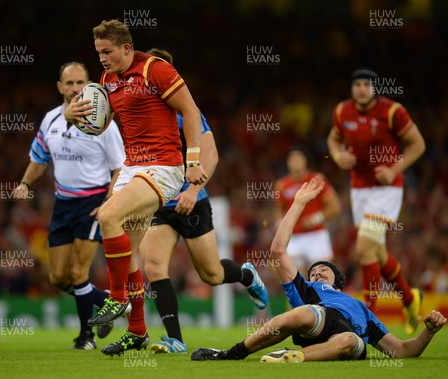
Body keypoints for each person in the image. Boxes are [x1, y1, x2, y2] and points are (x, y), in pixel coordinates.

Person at [65, 20, 208, 355]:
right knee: (127, 247)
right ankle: (138, 331)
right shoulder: (107, 80)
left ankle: (116, 299)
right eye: (98, 52)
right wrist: (74, 116)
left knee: (109, 215)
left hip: (164, 166)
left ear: (126, 48)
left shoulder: (155, 69)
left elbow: (190, 109)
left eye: (107, 51)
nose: (101, 58)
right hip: (133, 167)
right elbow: (99, 129)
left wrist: (194, 160)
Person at [191, 177, 446, 363]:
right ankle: (231, 354)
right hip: (315, 320)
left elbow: (402, 351)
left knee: (349, 342)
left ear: (339, 280)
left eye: (324, 270)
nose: (317, 273)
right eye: (313, 272)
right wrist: (299, 204)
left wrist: (429, 332)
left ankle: (292, 358)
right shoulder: (307, 290)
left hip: (346, 337)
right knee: (300, 314)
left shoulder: (362, 311)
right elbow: (278, 251)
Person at [138, 48, 268, 354]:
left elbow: (210, 155)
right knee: (155, 266)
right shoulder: (139, 116)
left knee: (211, 275)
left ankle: (247, 275)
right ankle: (176, 340)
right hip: (158, 203)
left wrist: (193, 191)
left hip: (192, 202)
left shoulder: (187, 113)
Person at [13, 62, 124, 350]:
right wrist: (25, 184)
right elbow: (39, 159)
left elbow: (120, 167)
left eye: (80, 83)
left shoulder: (102, 123)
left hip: (93, 202)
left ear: (89, 86)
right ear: (60, 87)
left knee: (78, 273)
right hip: (63, 204)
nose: (75, 88)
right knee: (58, 278)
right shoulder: (50, 119)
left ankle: (85, 336)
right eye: (69, 83)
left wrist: (109, 202)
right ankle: (110, 303)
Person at [327, 68, 426, 334]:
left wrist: (394, 169)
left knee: (363, 248)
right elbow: (334, 140)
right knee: (376, 252)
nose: (361, 88)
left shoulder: (393, 111)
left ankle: (368, 317)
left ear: (375, 88)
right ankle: (409, 298)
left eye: (366, 84)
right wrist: (337, 156)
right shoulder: (342, 111)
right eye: (357, 83)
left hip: (386, 189)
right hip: (359, 190)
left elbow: (418, 144)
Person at [274, 145, 341, 274]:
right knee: (295, 279)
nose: (296, 162)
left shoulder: (317, 180)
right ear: (287, 162)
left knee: (322, 277)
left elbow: (335, 207)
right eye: (292, 159)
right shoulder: (282, 185)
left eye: (299, 158)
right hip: (294, 237)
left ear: (305, 160)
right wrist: (279, 224)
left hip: (316, 235)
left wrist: (317, 218)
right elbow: (279, 209)